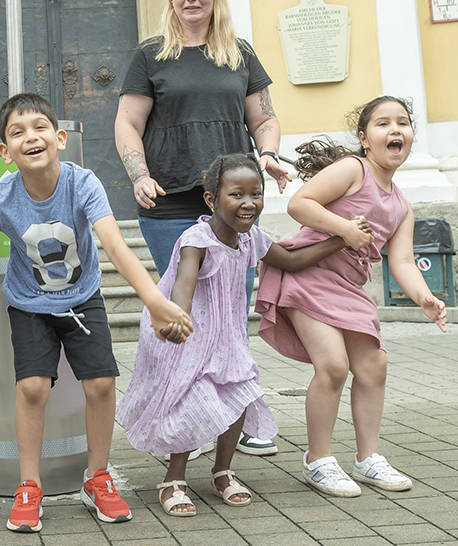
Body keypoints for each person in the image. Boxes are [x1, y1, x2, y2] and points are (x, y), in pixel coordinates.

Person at [0, 93, 194, 531]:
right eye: (17, 132)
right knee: (31, 389)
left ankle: (97, 477)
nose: (31, 137)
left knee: (101, 383)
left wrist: (155, 301)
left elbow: (115, 246)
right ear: (5, 152)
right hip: (28, 304)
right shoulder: (2, 195)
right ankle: (29, 485)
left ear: (60, 138)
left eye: (40, 127)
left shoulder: (82, 183)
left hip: (83, 298)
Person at [116, 153, 370, 517]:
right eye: (237, 194)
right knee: (192, 400)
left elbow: (293, 260)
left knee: (238, 396)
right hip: (186, 334)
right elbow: (184, 283)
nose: (249, 203)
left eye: (256, 194)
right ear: (211, 200)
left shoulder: (252, 240)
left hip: (228, 337)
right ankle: (174, 477)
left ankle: (222, 471)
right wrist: (176, 318)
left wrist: (343, 238)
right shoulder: (196, 240)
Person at [114, 0, 289, 458]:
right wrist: (139, 174)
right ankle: (177, 418)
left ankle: (235, 414)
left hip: (233, 207)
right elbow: (127, 122)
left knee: (231, 312)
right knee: (182, 314)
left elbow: (264, 119)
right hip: (170, 199)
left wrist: (271, 156)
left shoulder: (239, 52)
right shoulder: (151, 55)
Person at [256, 97, 448, 497]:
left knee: (374, 363)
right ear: (364, 138)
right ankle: (318, 460)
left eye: (403, 123)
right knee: (333, 365)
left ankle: (368, 459)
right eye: (383, 124)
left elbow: (404, 262)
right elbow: (300, 203)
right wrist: (344, 229)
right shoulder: (352, 169)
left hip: (347, 288)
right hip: (309, 275)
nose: (395, 130)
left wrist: (425, 298)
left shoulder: (401, 206)